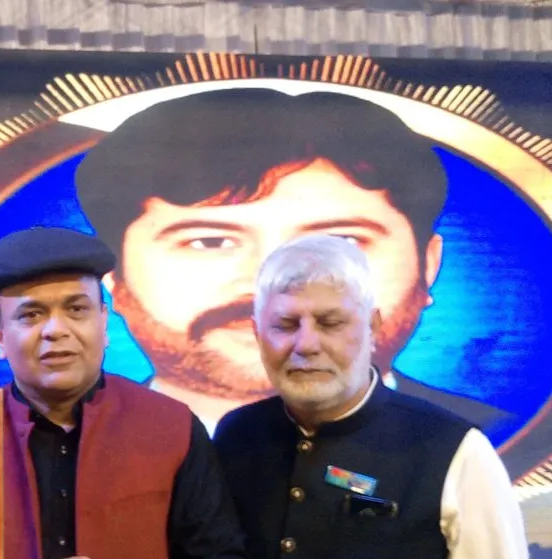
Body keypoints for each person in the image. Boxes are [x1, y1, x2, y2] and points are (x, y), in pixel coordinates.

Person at [210, 236, 547, 559]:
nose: (306, 344)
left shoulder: (452, 449)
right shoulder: (236, 436)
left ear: (373, 327)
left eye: (331, 323)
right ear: (256, 333)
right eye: (285, 325)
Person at [74, 88, 516, 436]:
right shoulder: (77, 453)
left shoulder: (468, 444)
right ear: (114, 278)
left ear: (428, 265)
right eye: (210, 241)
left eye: (338, 240)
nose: (272, 281)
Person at [0, 226, 253, 559]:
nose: (55, 330)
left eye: (76, 309)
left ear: (104, 323)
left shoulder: (171, 427)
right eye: (31, 315)